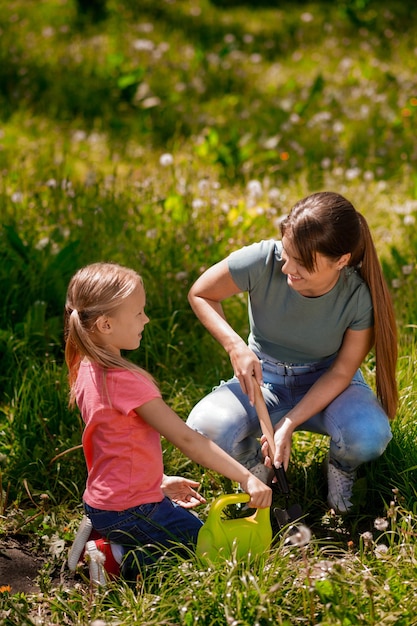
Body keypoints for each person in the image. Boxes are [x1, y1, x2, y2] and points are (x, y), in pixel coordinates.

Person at [186, 191, 398, 514]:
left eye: (302, 263)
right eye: (287, 253)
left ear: (341, 260)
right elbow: (201, 293)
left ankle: (342, 468)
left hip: (328, 383)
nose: (287, 268)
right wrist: (236, 346)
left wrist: (288, 423)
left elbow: (341, 373)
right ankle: (258, 471)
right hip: (264, 382)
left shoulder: (358, 297)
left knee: (369, 435)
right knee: (204, 428)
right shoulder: (263, 260)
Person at [64, 262, 271, 583]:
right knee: (207, 550)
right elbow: (189, 440)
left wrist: (156, 482)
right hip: (131, 510)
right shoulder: (129, 382)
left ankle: (108, 537)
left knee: (186, 532)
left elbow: (113, 446)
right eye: (137, 313)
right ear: (105, 324)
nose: (145, 319)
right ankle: (117, 560)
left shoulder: (85, 371)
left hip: (100, 504)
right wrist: (248, 478)